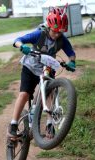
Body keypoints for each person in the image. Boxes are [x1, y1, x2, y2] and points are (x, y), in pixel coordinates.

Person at [8, 6, 76, 139]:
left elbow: (71, 53)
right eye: (55, 31)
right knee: (24, 94)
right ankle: (13, 124)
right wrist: (22, 47)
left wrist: (72, 62)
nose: (57, 35)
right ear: (49, 26)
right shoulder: (39, 34)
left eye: (60, 32)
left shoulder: (61, 39)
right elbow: (17, 40)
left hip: (47, 68)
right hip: (30, 67)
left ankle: (50, 124)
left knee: (50, 93)